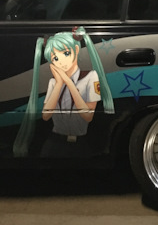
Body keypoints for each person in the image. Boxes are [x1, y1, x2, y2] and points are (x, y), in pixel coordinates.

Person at [13, 26, 114, 157]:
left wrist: (69, 82)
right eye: (55, 58)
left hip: (81, 143)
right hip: (54, 141)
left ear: (76, 50)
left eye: (66, 53)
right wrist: (59, 84)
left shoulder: (90, 77)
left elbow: (88, 115)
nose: (61, 62)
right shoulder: (54, 82)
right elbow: (46, 115)